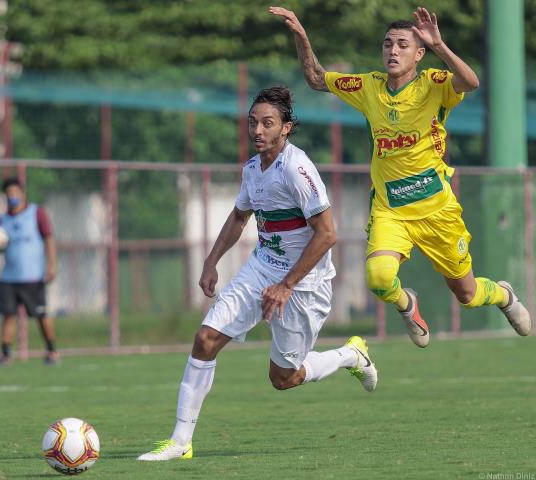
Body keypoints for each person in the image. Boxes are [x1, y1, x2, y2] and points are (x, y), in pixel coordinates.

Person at [137, 86, 378, 462]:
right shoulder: (252, 169)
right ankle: (180, 442)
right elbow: (239, 215)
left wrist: (286, 285)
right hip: (261, 269)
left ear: (286, 128)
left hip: (304, 287)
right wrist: (211, 261)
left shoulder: (298, 170)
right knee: (205, 339)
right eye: (253, 122)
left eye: (267, 123)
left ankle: (350, 355)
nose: (258, 130)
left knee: (284, 378)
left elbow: (328, 233)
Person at [269, 6, 531, 347]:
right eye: (388, 44)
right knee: (379, 278)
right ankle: (408, 305)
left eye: (403, 45)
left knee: (466, 294)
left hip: (437, 211)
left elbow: (470, 81)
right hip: (390, 210)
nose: (393, 50)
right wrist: (301, 35)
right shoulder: (369, 87)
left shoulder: (434, 83)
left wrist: (440, 46)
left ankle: (503, 296)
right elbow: (318, 79)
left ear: (419, 53)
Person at [0, 177, 59, 365]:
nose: (12, 196)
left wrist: (51, 265)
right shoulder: (2, 220)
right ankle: (6, 354)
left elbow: (49, 239)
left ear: (22, 193)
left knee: (41, 315)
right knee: (8, 315)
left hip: (32, 276)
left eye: (15, 192)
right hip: (9, 277)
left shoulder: (36, 213)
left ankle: (52, 351)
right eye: (8, 193)